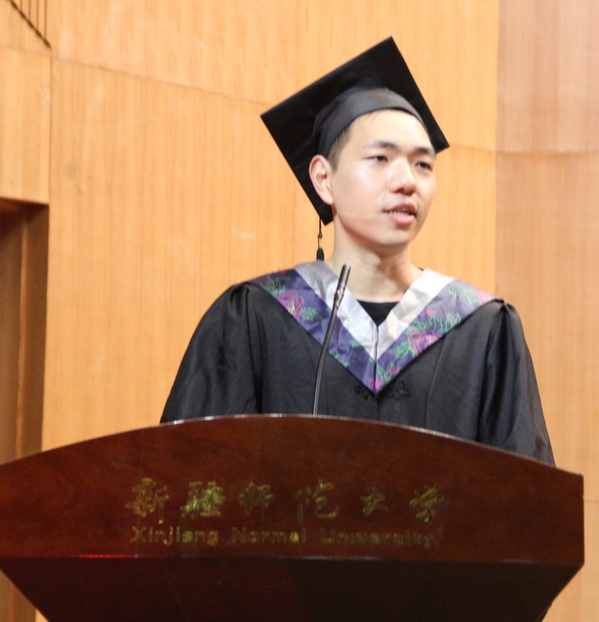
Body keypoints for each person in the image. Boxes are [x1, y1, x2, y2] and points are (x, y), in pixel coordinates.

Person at [161, 38, 554, 464]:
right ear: (323, 179)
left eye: (423, 164)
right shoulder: (255, 320)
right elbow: (192, 478)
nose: (407, 181)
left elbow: (524, 494)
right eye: (381, 158)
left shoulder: (482, 330)